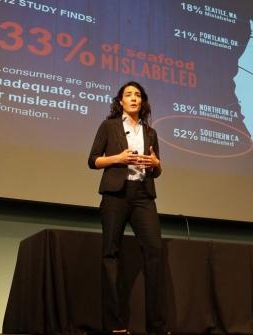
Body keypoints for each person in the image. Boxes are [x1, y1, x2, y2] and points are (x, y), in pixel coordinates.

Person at [88, 81, 165, 335]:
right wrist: (118, 158)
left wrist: (156, 163)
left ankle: (156, 326)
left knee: (155, 252)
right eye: (128, 95)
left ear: (142, 102)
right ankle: (115, 325)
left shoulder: (150, 132)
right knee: (111, 254)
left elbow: (157, 169)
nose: (134, 98)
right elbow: (93, 160)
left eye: (138, 95)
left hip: (143, 195)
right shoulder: (109, 126)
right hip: (116, 195)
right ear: (120, 101)